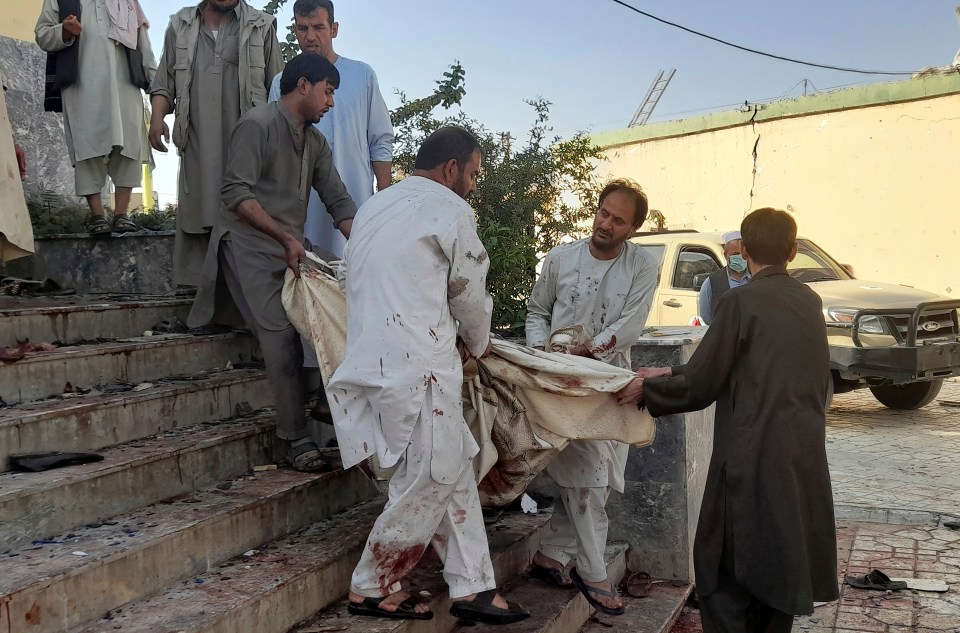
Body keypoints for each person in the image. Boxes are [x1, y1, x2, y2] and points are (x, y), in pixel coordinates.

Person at [327, 127, 528, 625]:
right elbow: (468, 292)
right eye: (474, 174)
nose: (473, 185)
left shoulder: (375, 206)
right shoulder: (450, 209)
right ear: (451, 169)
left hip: (373, 362)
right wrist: (479, 345)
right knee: (432, 476)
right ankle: (371, 583)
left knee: (453, 466)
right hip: (421, 368)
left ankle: (473, 585)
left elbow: (352, 279)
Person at [617, 208, 839, 633]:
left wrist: (648, 389)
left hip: (750, 454)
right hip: (800, 451)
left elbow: (703, 382)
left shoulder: (739, 300)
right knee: (780, 559)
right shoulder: (809, 301)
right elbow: (745, 365)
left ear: (744, 252)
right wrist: (669, 372)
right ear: (793, 251)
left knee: (723, 571)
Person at [186, 52, 356, 472]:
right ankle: (295, 438)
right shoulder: (256, 124)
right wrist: (282, 236)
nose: (331, 102)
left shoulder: (315, 142)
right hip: (247, 243)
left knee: (345, 300)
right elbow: (235, 195)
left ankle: (321, 400)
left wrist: (372, 246)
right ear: (303, 86)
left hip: (292, 245)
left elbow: (337, 199)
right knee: (280, 332)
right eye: (328, 91)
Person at [524, 178, 657, 616]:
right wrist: (544, 354)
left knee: (607, 479)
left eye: (619, 220)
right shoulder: (561, 258)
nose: (606, 224)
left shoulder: (641, 266)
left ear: (633, 228)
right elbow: (537, 311)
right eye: (603, 213)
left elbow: (632, 323)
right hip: (562, 386)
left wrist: (587, 350)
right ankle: (593, 572)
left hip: (612, 382)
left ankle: (550, 555)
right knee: (588, 478)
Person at [150, 0, 283, 286]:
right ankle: (198, 294)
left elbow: (278, 89)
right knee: (199, 212)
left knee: (245, 214)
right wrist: (157, 118)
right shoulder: (179, 26)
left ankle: (244, 292)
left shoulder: (262, 26)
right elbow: (164, 82)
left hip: (247, 150)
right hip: (198, 144)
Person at [268, 0, 393, 261]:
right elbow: (274, 145)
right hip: (300, 208)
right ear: (294, 31)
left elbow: (380, 141)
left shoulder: (362, 76)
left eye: (318, 27)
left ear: (334, 29)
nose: (310, 37)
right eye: (302, 28)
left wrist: (384, 202)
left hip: (354, 201)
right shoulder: (283, 82)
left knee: (355, 276)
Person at [35, 0, 156, 236]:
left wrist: (157, 86)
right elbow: (42, 35)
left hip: (126, 84)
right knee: (87, 144)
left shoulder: (129, 2)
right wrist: (64, 31)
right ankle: (96, 215)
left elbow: (144, 46)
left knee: (129, 144)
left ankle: (122, 213)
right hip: (82, 84)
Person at [697, 230, 751, 324]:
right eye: (735, 254)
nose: (740, 257)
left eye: (743, 254)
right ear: (726, 255)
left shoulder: (756, 279)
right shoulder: (711, 283)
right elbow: (706, 321)